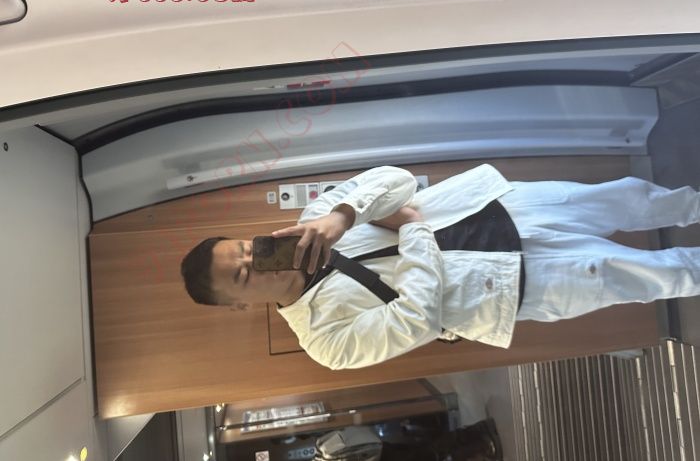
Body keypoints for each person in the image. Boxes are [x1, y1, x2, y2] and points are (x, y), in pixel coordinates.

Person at [180, 165, 700, 370]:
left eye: (245, 249)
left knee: (629, 198)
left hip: (495, 207)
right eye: (243, 275)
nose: (255, 260)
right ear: (241, 305)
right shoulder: (324, 341)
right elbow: (417, 319)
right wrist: (412, 228)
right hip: (509, 287)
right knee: (654, 274)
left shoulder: (314, 220)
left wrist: (343, 215)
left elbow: (397, 181)